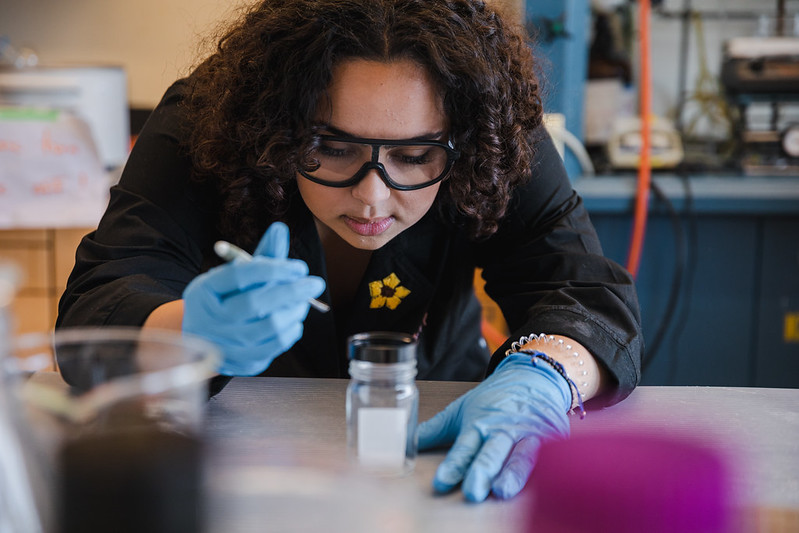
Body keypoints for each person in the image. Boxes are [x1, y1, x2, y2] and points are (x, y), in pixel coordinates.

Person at [57, 0, 643, 502]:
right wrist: (185, 333)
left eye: (414, 158)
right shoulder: (210, 118)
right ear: (277, 127)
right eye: (331, 147)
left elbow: (581, 290)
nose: (371, 198)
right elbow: (100, 303)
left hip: (435, 439)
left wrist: (540, 375)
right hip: (240, 457)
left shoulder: (492, 125)